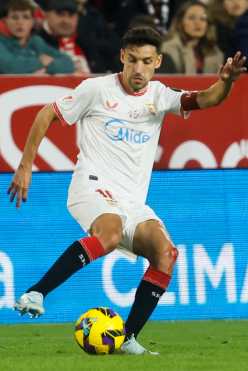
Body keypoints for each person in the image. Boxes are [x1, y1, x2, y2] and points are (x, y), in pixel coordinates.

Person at [8, 26, 246, 354]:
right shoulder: (95, 89)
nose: (138, 69)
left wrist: (227, 82)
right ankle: (36, 293)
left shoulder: (159, 96)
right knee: (109, 232)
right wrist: (25, 165)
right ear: (122, 57)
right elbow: (47, 113)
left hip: (132, 201)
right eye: (132, 60)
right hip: (91, 187)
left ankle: (128, 338)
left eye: (146, 61)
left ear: (158, 61)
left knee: (165, 254)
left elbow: (207, 99)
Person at [0, 0, 74, 75]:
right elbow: (10, 67)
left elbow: (68, 63)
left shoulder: (36, 42)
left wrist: (45, 68)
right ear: (5, 21)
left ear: (32, 22)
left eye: (26, 17)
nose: (20, 22)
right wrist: (40, 62)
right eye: (14, 17)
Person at [160, 1, 224, 74]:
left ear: (208, 24)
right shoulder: (167, 49)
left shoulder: (216, 52)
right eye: (192, 18)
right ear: (180, 22)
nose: (197, 23)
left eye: (203, 19)